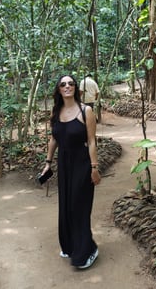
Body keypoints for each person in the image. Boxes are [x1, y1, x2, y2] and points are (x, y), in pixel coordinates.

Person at [41, 74, 101, 269]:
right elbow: (54, 139)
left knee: (79, 206)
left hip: (82, 163)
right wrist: (48, 162)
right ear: (59, 89)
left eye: (71, 84)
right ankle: (69, 245)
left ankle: (87, 250)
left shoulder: (86, 111)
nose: (67, 87)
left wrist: (94, 168)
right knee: (66, 205)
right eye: (63, 84)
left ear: (76, 88)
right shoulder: (56, 112)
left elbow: (92, 141)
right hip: (64, 164)